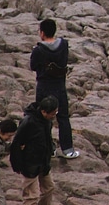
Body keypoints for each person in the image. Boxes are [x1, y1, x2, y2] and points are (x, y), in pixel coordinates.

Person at [29, 19, 78, 159]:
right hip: (59, 86)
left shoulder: (38, 50)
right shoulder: (64, 45)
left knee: (43, 118)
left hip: (44, 87)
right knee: (63, 118)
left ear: (42, 33)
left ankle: (48, 149)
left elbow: (33, 66)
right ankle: (68, 149)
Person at [10, 96, 57, 205]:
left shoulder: (47, 121)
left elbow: (47, 138)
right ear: (44, 111)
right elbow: (16, 143)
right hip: (29, 163)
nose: (54, 116)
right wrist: (16, 164)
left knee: (49, 188)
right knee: (32, 196)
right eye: (53, 113)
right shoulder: (28, 122)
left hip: (43, 162)